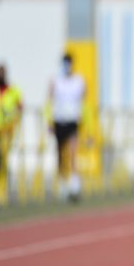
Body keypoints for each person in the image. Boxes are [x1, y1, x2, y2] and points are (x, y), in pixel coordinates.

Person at [48, 52, 85, 202]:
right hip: (59, 120)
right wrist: (49, 121)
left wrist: (85, 122)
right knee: (59, 155)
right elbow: (49, 100)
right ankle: (63, 185)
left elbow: (84, 101)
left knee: (72, 153)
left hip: (72, 121)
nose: (67, 66)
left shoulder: (78, 81)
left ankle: (75, 185)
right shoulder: (55, 81)